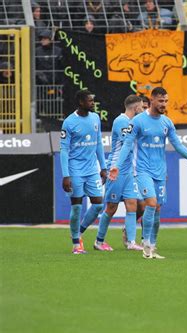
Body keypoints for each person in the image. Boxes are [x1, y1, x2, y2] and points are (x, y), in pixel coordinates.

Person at [109, 87, 187, 259]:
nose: (164, 104)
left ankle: (152, 245)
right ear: (152, 100)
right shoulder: (139, 121)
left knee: (156, 208)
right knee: (151, 202)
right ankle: (146, 246)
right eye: (161, 101)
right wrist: (117, 165)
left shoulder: (167, 123)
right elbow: (127, 145)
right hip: (142, 171)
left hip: (160, 172)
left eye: (166, 101)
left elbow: (178, 145)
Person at [94, 95, 145, 252]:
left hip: (128, 170)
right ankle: (99, 241)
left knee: (132, 204)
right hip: (116, 169)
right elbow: (127, 144)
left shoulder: (132, 123)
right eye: (142, 107)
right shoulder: (121, 121)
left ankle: (130, 242)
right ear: (136, 108)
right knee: (111, 207)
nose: (143, 110)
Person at [60, 90, 107, 254]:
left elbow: (99, 143)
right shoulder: (69, 122)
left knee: (98, 204)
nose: (93, 103)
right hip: (75, 170)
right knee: (77, 207)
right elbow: (64, 151)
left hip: (92, 169)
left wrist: (103, 167)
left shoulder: (95, 118)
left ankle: (79, 232)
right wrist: (66, 175)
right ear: (81, 102)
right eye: (90, 100)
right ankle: (75, 244)